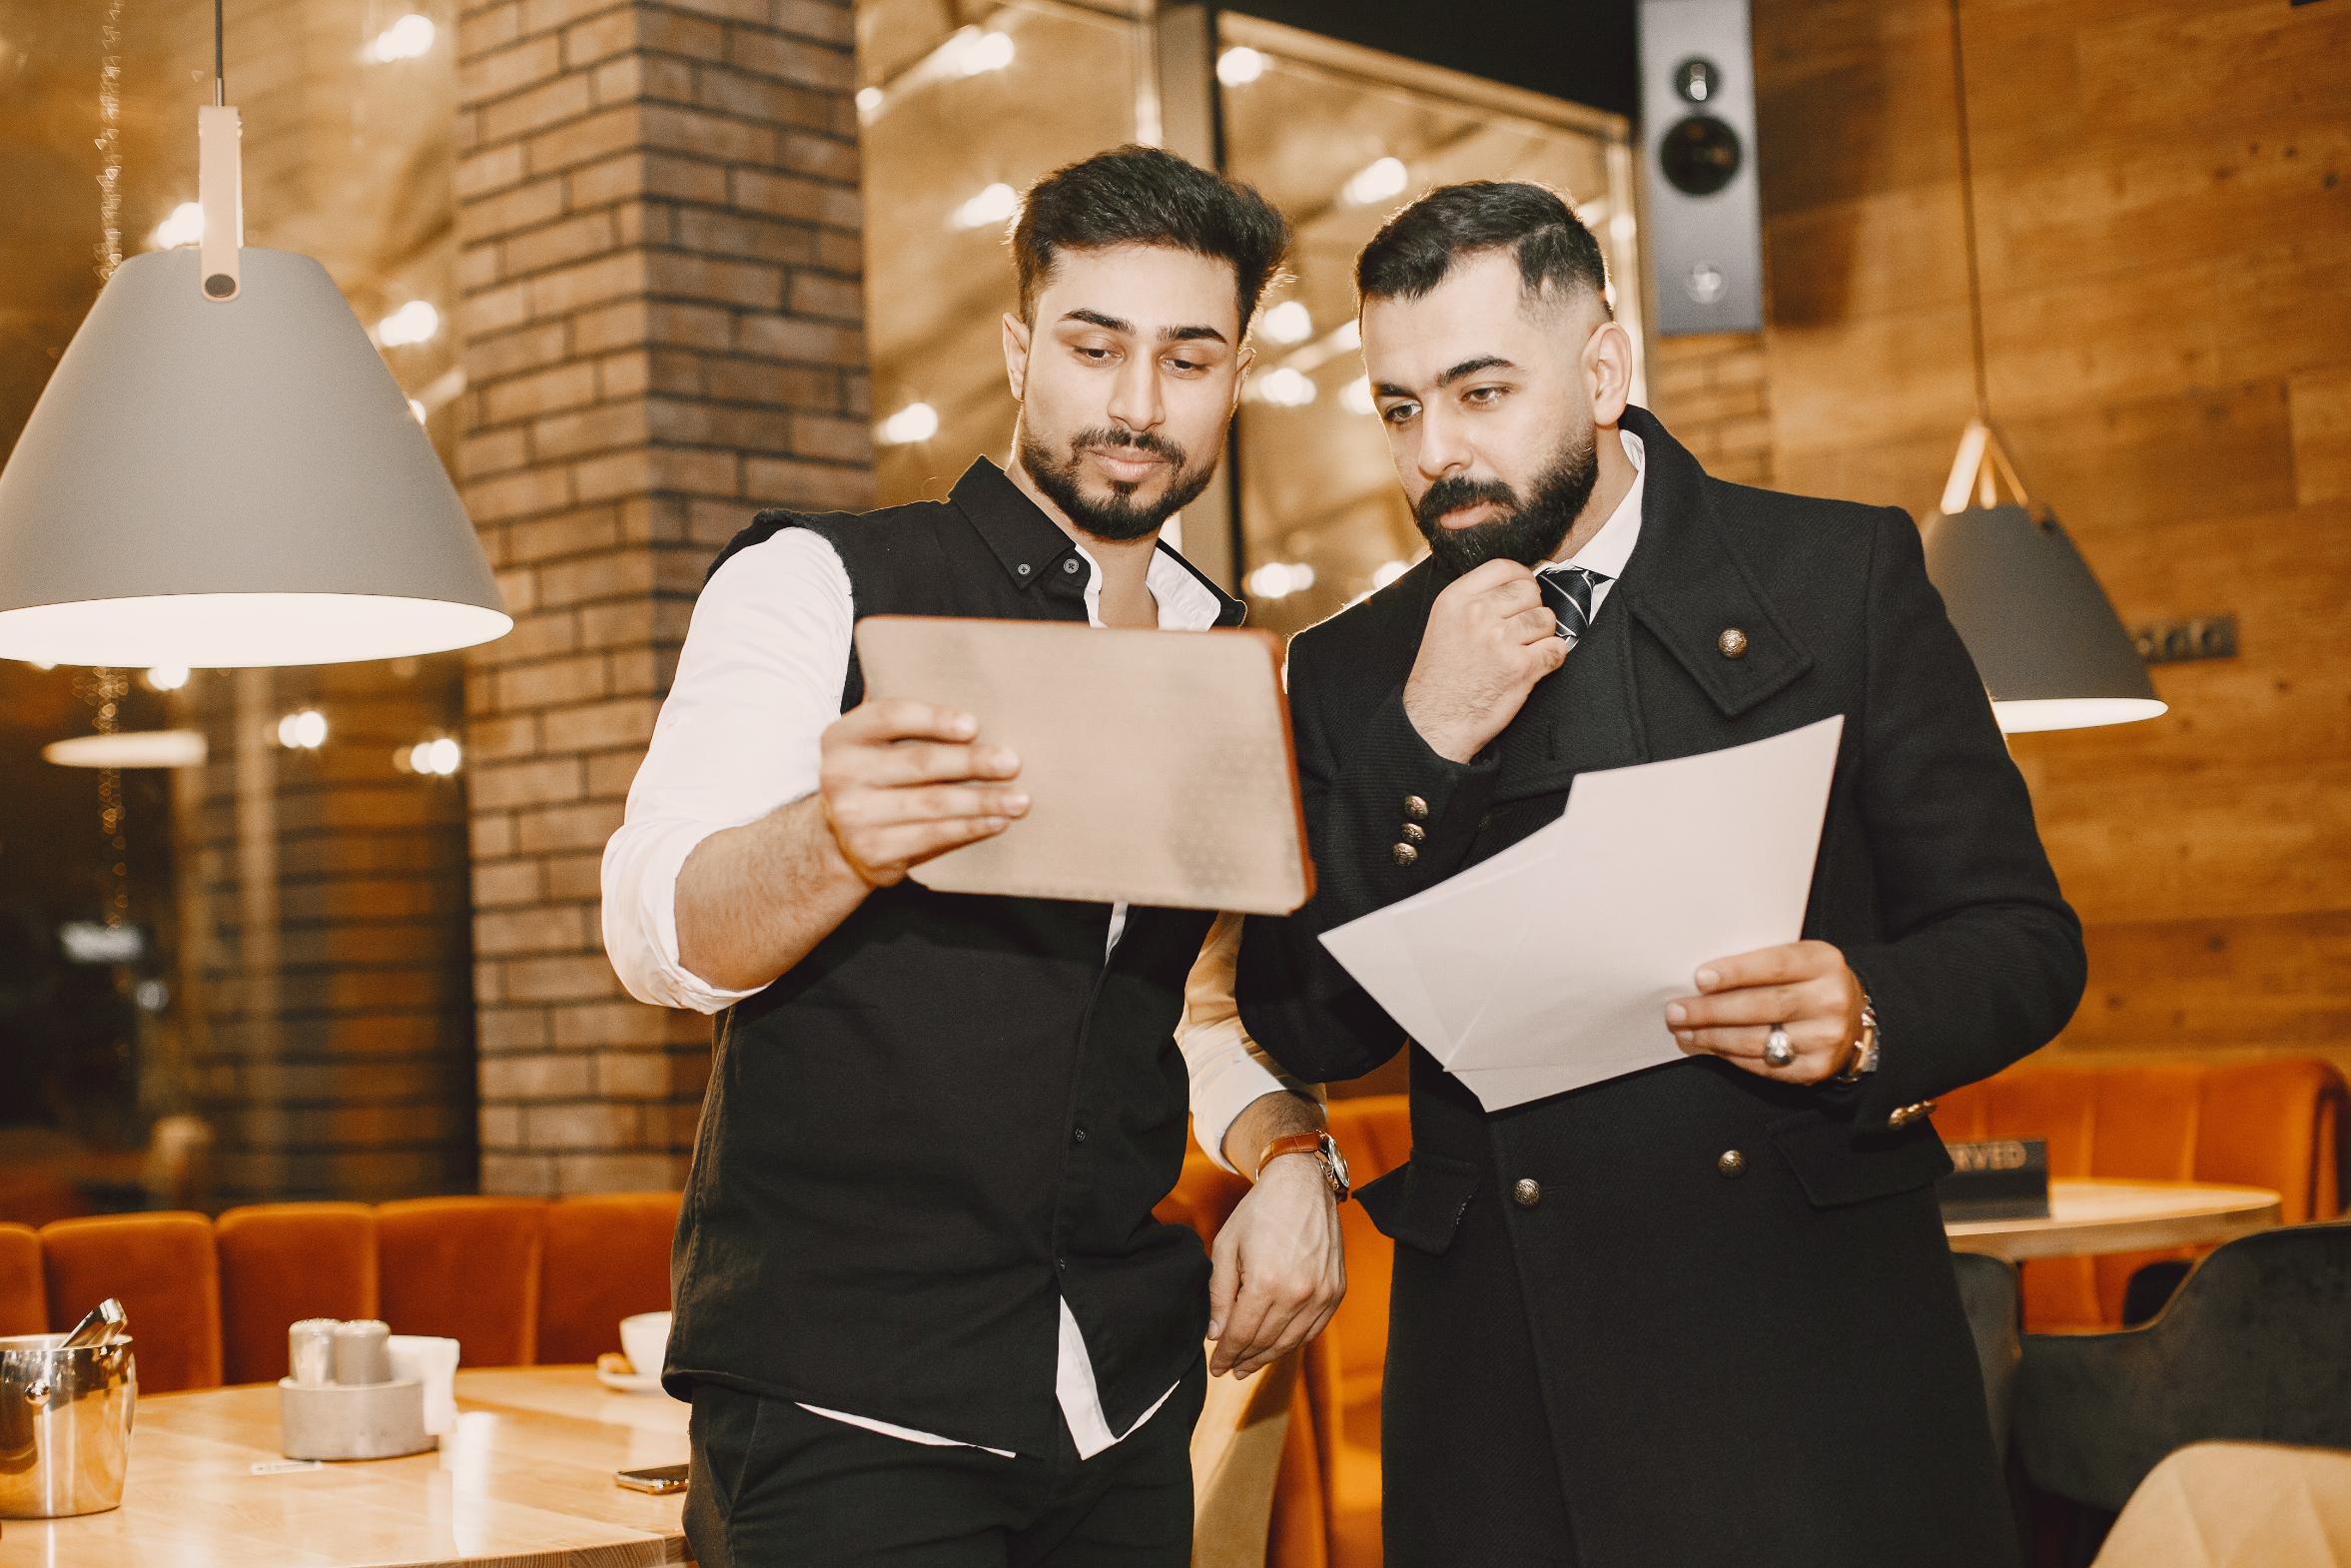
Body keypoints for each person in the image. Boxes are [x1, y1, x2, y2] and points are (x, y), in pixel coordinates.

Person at [1234, 181, 2086, 1568]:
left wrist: (1867, 1010)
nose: (1435, 451)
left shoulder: (1835, 574)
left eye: (1480, 391)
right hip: (1505, 1381)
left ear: (1602, 371)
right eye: (1398, 408)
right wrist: (1421, 741)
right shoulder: (1349, 668)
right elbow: (1311, 1028)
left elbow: (2022, 937)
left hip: (1806, 1350)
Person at [601, 145, 1349, 1568]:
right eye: (1094, 347)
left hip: (1120, 1409)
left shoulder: (1227, 658)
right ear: (1019, 350)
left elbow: (1181, 1012)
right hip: (845, 1416)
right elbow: (657, 934)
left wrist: (1297, 1156)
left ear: (1238, 376)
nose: (1138, 404)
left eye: (1188, 358)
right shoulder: (817, 583)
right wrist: (833, 840)